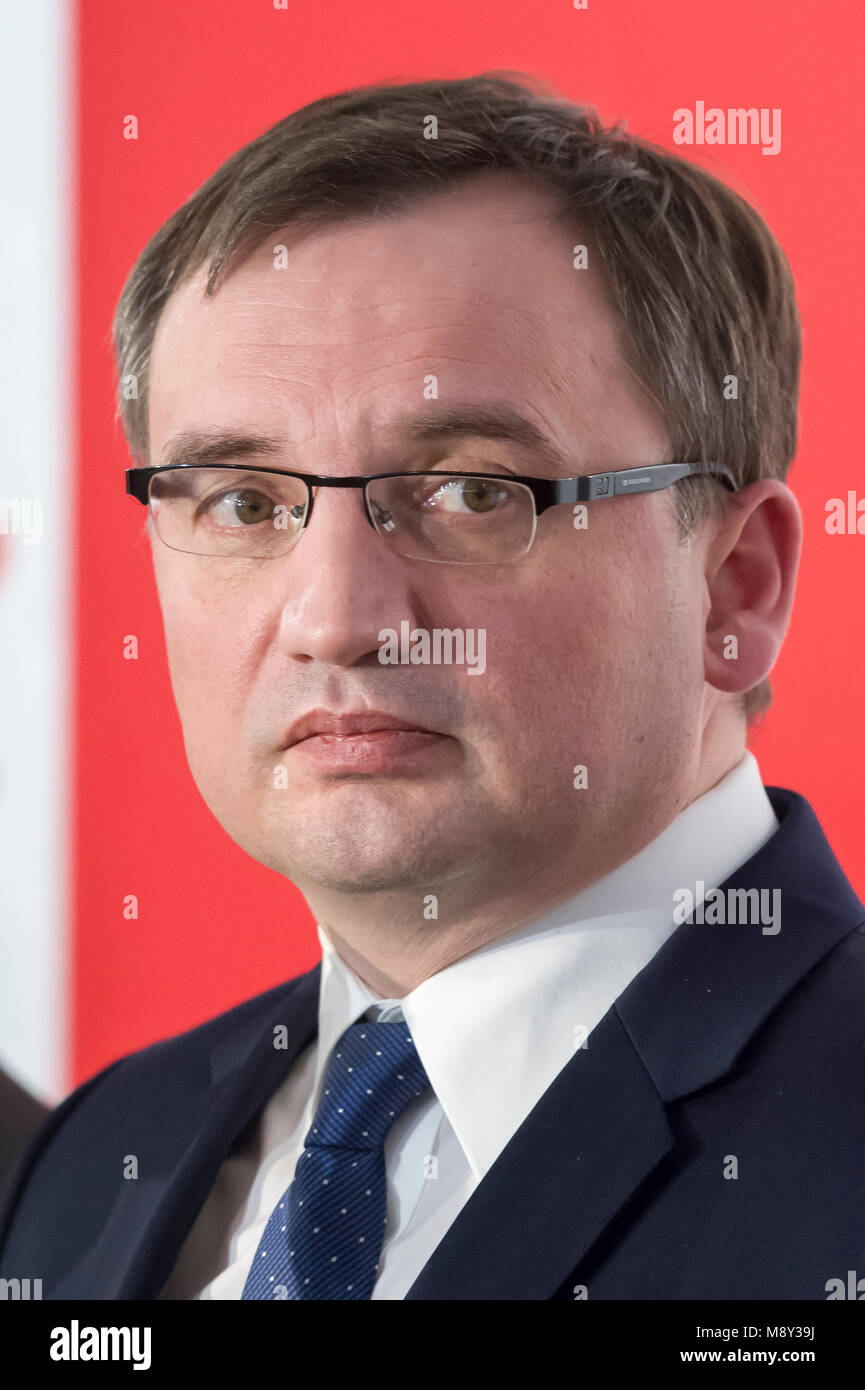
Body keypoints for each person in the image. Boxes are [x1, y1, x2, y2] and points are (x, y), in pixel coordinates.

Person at [1, 72, 863, 1301]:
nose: (337, 619)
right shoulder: (86, 1162)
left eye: (472, 491)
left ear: (734, 586)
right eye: (244, 503)